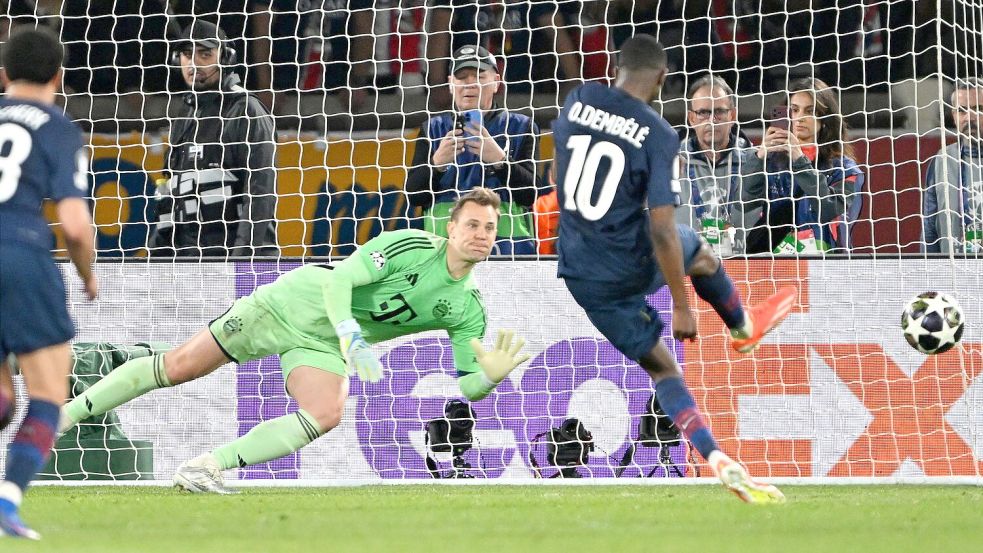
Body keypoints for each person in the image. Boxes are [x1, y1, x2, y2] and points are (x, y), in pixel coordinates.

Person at [61, 189, 530, 494]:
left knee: (326, 413)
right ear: (451, 227)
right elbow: (339, 281)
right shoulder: (410, 245)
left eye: (489, 228)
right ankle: (64, 416)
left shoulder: (469, 308)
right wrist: (351, 335)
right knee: (181, 365)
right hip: (291, 303)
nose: (481, 235)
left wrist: (487, 378)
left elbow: (467, 386)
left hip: (324, 342)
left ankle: (206, 466)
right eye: (472, 225)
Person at [552, 35, 793, 503]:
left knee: (663, 372)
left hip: (580, 272)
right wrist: (682, 305)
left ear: (615, 67)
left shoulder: (579, 98)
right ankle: (741, 326)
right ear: (662, 79)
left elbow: (560, 171)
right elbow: (663, 230)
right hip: (629, 255)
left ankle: (718, 459)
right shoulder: (660, 134)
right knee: (699, 251)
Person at [0, 27, 97, 539]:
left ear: (3, 75)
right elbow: (76, 227)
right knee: (45, 396)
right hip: (21, 256)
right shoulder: (58, 128)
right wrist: (87, 275)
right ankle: (8, 501)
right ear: (59, 77)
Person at [148, 20, 278, 257]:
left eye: (205, 54)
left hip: (239, 260)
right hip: (189, 261)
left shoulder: (246, 110)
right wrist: (157, 259)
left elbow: (260, 195)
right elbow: (170, 194)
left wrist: (239, 264)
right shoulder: (186, 113)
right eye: (187, 54)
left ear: (226, 58)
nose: (194, 63)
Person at [406, 45, 545, 255]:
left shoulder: (521, 126)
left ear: (496, 82)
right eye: (461, 78)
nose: (470, 84)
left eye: (479, 76)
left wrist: (500, 161)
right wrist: (437, 165)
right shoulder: (432, 129)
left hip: (508, 253)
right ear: (451, 84)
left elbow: (531, 194)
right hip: (443, 252)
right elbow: (414, 196)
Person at [740, 78, 865, 253]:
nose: (800, 118)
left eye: (809, 111)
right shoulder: (770, 163)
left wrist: (799, 159)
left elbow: (828, 210)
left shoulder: (845, 169)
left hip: (826, 266)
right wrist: (760, 156)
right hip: (774, 266)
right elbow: (744, 203)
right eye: (794, 110)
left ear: (825, 118)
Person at [677, 75, 756, 254]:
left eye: (719, 111)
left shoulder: (756, 163)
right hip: (684, 271)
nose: (712, 120)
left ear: (733, 115)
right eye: (703, 112)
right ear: (691, 118)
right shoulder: (670, 163)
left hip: (748, 271)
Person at [922, 77, 983, 254]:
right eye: (962, 110)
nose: (969, 117)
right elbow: (929, 229)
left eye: (977, 109)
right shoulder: (943, 159)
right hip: (953, 275)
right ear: (953, 115)